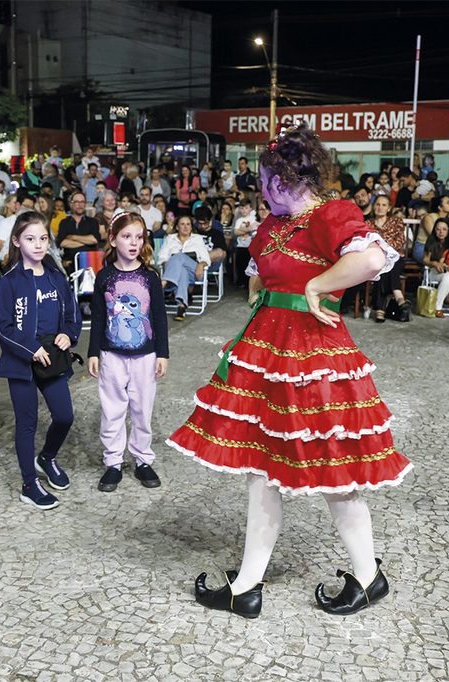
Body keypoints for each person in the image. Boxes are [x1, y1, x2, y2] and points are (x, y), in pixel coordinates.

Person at [166, 124, 411, 619]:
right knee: (262, 469)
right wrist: (268, 293)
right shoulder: (273, 226)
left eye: (264, 181)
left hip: (313, 360)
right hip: (268, 356)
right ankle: (248, 585)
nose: (260, 191)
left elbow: (370, 258)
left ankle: (368, 577)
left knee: (332, 471)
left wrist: (318, 286)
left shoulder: (331, 214)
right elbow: (262, 277)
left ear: (285, 178)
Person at [0, 212, 82, 510]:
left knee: (64, 416)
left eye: (43, 238)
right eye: (30, 239)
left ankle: (46, 457)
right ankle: (29, 483)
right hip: (22, 362)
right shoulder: (9, 281)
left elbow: (73, 316)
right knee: (27, 423)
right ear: (17, 241)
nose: (38, 245)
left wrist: (68, 335)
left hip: (53, 359)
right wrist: (30, 349)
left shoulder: (57, 277)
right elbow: (3, 328)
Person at [87, 213, 169, 492]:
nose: (133, 242)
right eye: (126, 236)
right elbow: (98, 317)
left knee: (142, 410)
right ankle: (113, 462)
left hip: (145, 356)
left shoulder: (149, 277)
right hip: (112, 356)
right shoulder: (104, 276)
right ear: (112, 239)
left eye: (139, 236)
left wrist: (162, 353)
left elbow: (159, 317)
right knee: (112, 409)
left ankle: (143, 460)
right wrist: (93, 352)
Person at [157, 214, 210, 321]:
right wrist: (168, 265)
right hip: (178, 273)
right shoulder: (170, 239)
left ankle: (165, 283)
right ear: (177, 227)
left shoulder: (197, 238)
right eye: (182, 224)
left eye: (188, 224)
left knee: (179, 256)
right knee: (181, 271)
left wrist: (201, 264)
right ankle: (182, 306)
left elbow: (206, 258)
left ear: (191, 227)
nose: (185, 227)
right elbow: (162, 258)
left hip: (194, 271)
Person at [365, 194, 408, 322]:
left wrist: (380, 243)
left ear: (389, 208)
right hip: (375, 258)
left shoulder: (396, 222)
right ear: (374, 207)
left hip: (395, 257)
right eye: (378, 204)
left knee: (388, 265)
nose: (380, 208)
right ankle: (399, 297)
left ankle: (380, 310)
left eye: (384, 205)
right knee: (382, 265)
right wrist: (384, 244)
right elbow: (365, 243)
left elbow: (399, 242)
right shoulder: (368, 223)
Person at [56, 191, 102, 272]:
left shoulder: (93, 221)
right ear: (71, 204)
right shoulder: (64, 223)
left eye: (82, 202)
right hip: (70, 262)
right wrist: (87, 242)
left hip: (90, 261)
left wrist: (72, 237)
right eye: (77, 202)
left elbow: (95, 239)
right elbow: (62, 243)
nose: (80, 205)